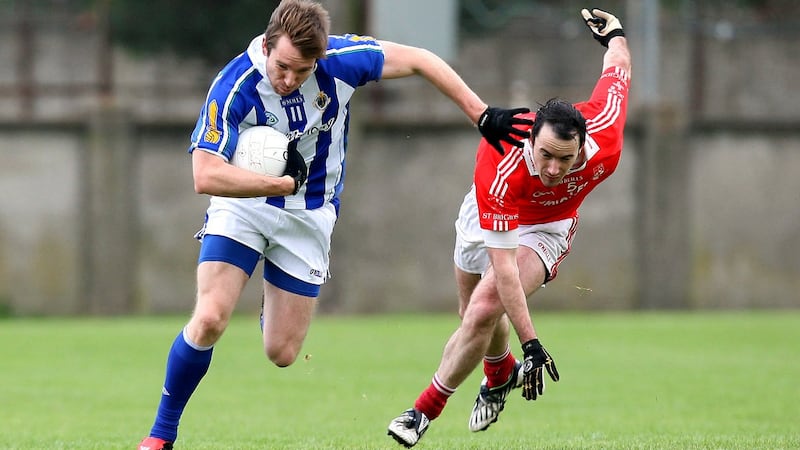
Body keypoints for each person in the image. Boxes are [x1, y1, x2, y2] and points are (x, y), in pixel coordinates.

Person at [136, 1, 533, 449]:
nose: (289, 80)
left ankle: (273, 295)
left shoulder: (341, 62)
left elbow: (422, 60)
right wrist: (277, 181)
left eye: (302, 71)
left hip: (309, 214)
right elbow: (204, 176)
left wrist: (481, 115)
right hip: (242, 207)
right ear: (266, 46)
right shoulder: (234, 86)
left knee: (282, 353)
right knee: (209, 319)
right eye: (282, 66)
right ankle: (160, 434)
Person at [387, 7, 631, 448]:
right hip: (487, 216)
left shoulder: (606, 141)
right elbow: (502, 267)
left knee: (483, 309)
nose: (555, 168)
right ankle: (500, 373)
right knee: (472, 319)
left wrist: (614, 36)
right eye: (546, 155)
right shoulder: (502, 165)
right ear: (530, 139)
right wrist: (531, 342)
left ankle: (421, 412)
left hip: (549, 228)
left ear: (583, 146)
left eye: (566, 158)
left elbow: (618, 71)